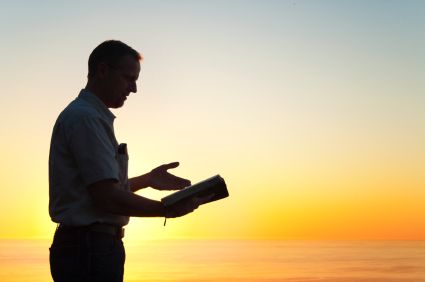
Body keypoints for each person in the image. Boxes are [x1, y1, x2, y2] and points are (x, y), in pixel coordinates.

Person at [48, 40, 212, 282]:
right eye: (128, 78)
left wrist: (146, 180)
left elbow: (96, 191)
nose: (134, 89)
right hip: (90, 250)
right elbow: (106, 198)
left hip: (89, 248)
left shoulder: (88, 117)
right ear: (103, 71)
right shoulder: (86, 119)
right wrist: (167, 209)